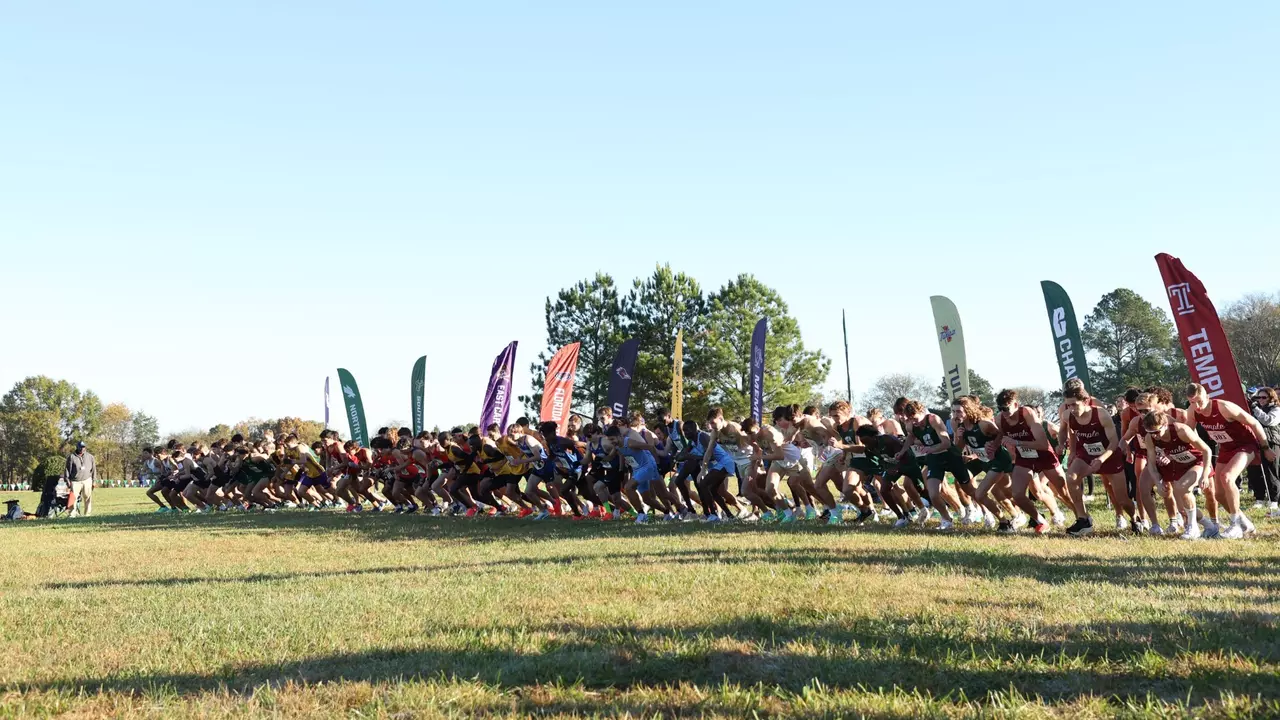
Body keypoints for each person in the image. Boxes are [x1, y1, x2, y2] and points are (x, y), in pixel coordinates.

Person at [1184, 382, 1273, 539]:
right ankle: (1244, 521)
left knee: (1227, 477)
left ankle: (1235, 524)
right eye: (1192, 402)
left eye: (1200, 401)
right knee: (1219, 495)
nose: (1197, 406)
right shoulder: (1192, 411)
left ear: (1208, 397)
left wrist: (1265, 447)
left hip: (1246, 444)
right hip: (1226, 448)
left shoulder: (1224, 407)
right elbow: (1188, 434)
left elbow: (1254, 422)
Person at [1141, 410, 1212, 540]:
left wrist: (1205, 474)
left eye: (1157, 432)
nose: (1155, 436)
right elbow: (1151, 464)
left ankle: (1193, 527)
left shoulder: (1181, 430)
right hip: (1179, 465)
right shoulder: (1150, 438)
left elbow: (1206, 450)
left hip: (1198, 461)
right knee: (1182, 503)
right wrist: (1157, 481)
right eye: (1150, 433)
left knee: (1182, 487)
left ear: (1165, 424)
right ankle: (1209, 526)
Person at [1250, 387, 1280, 516]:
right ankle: (1259, 498)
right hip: (1255, 443)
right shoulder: (1254, 409)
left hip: (1271, 443)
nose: (1260, 400)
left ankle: (1274, 499)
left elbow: (1269, 421)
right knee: (1255, 471)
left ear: (1271, 398)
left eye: (1263, 397)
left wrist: (1256, 409)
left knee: (1271, 471)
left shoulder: (1276, 409)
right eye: (1258, 398)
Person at [63, 441, 97, 517]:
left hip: (87, 480)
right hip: (75, 481)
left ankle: (87, 514)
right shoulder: (71, 457)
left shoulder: (90, 457)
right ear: (77, 447)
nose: (82, 449)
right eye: (81, 447)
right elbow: (67, 470)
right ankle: (72, 514)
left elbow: (94, 470)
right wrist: (67, 481)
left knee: (88, 498)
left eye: (84, 447)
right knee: (73, 498)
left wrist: (94, 481)